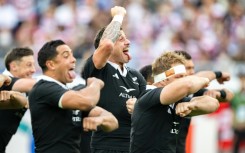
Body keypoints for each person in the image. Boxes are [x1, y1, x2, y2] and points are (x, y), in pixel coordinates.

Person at [28, 39, 118, 153]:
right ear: (51, 64)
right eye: (66, 56)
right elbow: (87, 101)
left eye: (72, 55)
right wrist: (95, 83)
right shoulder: (43, 88)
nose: (74, 59)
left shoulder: (70, 95)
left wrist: (100, 120)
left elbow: (113, 121)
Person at [81, 6, 147, 153]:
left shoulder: (136, 76)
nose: (128, 42)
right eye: (120, 39)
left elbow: (149, 112)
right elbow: (106, 44)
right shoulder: (97, 68)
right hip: (106, 147)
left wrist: (139, 107)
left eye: (127, 38)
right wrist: (118, 16)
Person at [130, 51, 220, 153]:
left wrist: (191, 105)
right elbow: (188, 84)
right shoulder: (149, 95)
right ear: (163, 79)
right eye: (179, 77)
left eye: (184, 76)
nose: (184, 79)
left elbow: (213, 103)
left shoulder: (177, 101)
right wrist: (204, 79)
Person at [174, 50, 234, 153]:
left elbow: (229, 95)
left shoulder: (192, 90)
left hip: (179, 148)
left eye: (193, 67)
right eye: (188, 68)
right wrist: (218, 74)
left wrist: (219, 94)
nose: (192, 72)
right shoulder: (165, 90)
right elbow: (199, 77)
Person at [0, 47, 36, 153]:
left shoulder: (28, 89)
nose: (33, 69)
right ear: (13, 66)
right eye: (29, 65)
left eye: (33, 65)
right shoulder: (3, 82)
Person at [230, 70, 245, 153]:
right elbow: (233, 110)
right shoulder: (236, 96)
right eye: (242, 81)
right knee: (236, 145)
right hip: (238, 125)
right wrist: (234, 123)